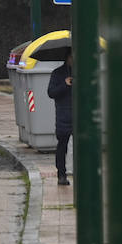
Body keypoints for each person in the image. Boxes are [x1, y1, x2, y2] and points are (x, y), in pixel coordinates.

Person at [47, 48, 73, 186]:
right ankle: (61, 174)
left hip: (78, 116)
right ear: (67, 58)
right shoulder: (57, 74)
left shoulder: (83, 72)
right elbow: (51, 92)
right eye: (72, 57)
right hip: (63, 115)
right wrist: (65, 84)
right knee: (62, 146)